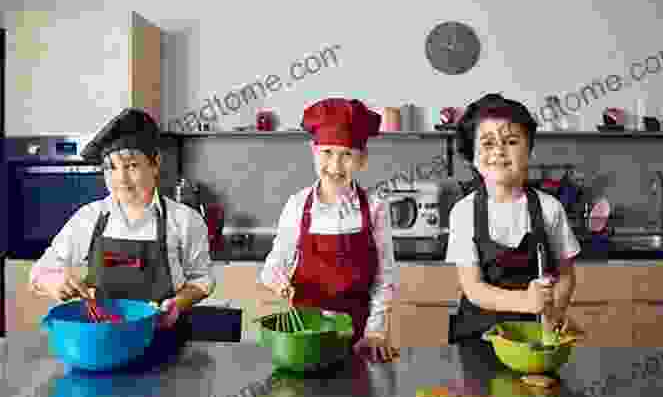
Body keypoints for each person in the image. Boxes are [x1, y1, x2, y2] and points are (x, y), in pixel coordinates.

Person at [29, 108, 215, 330]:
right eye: (111, 168)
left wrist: (178, 304)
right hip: (104, 343)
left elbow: (202, 279)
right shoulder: (89, 218)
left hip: (164, 338)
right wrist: (54, 282)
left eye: (131, 166)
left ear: (155, 164)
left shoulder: (185, 220)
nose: (121, 179)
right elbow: (39, 273)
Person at [258, 98, 399, 362]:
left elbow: (385, 278)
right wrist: (277, 280)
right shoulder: (297, 205)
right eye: (327, 153)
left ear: (363, 159)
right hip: (305, 337)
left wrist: (376, 332)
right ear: (313, 151)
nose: (335, 166)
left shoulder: (376, 208)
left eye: (347, 154)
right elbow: (272, 266)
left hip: (358, 339)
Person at [446, 93, 582, 344]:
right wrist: (526, 302)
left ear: (528, 149)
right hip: (477, 339)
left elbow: (566, 276)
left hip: (535, 338)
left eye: (510, 141)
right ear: (473, 157)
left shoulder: (550, 208)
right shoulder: (463, 213)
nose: (498, 150)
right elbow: (474, 289)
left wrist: (555, 312)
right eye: (487, 143)